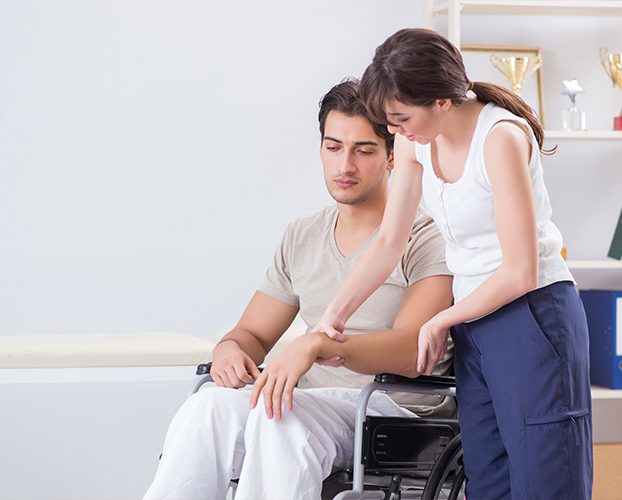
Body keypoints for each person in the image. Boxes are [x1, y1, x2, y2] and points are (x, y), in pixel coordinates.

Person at [309, 28, 592, 500]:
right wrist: (331, 319)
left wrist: (442, 318)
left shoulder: (500, 138)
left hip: (533, 316)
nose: (394, 132)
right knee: (487, 477)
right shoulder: (418, 138)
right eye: (389, 121)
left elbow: (520, 271)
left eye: (400, 119)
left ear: (442, 100)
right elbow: (389, 241)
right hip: (474, 322)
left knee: (545, 479)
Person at [142, 80, 455, 500]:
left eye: (363, 150)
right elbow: (252, 334)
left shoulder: (426, 237)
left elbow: (414, 351)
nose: (345, 165)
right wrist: (229, 350)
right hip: (312, 403)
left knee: (278, 418)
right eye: (333, 147)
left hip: (392, 409)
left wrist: (315, 345)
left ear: (393, 155)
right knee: (207, 407)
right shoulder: (303, 235)